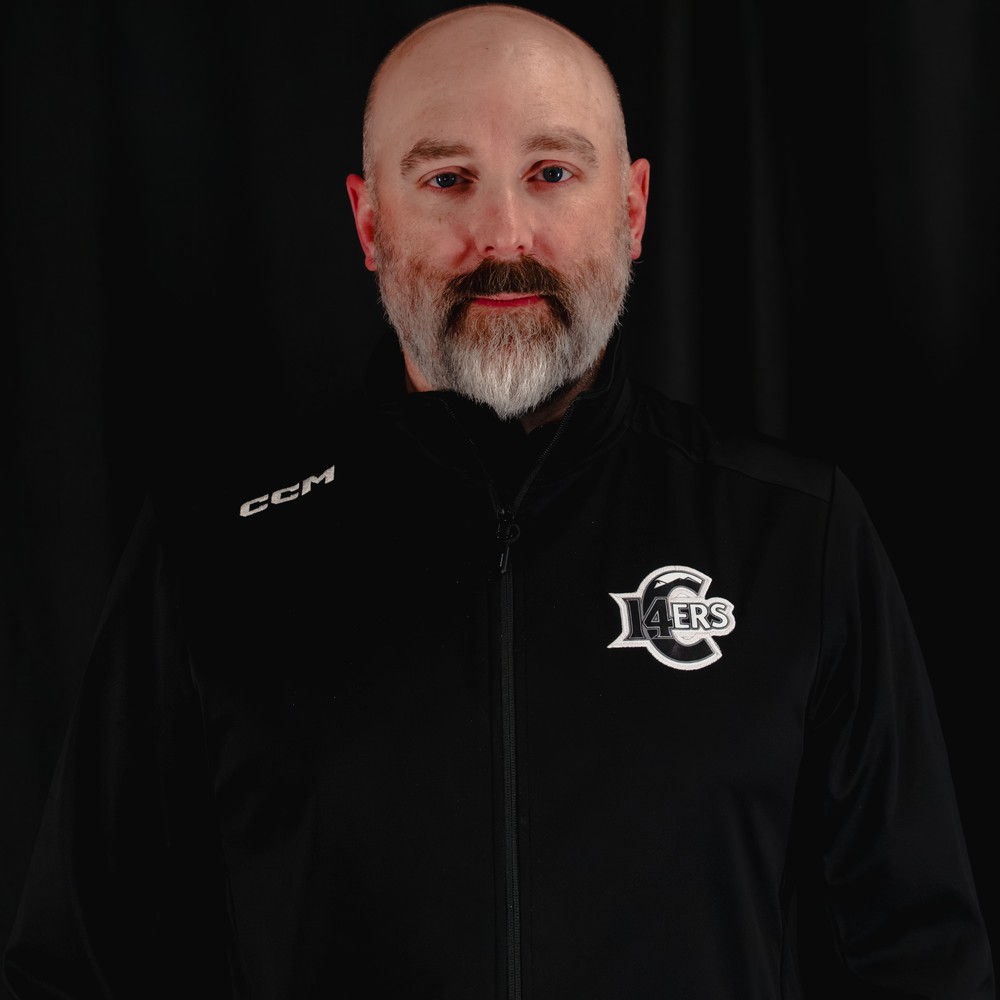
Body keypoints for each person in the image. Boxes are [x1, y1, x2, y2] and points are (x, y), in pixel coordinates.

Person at [3, 4, 994, 998]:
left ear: (633, 209)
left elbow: (922, 961)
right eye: (447, 180)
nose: (503, 235)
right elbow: (74, 968)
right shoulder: (214, 548)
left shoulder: (794, 531)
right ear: (369, 222)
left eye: (551, 173)